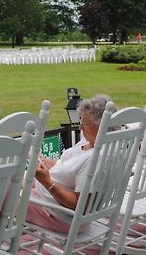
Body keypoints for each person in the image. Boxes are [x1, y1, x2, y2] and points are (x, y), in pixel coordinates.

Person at [25, 95, 115, 232]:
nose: (80, 128)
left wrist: (47, 182)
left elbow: (79, 204)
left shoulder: (97, 157)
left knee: (2, 192)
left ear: (102, 126)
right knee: (11, 180)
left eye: (85, 124)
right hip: (48, 197)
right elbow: (69, 171)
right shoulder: (91, 143)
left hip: (57, 214)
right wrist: (42, 160)